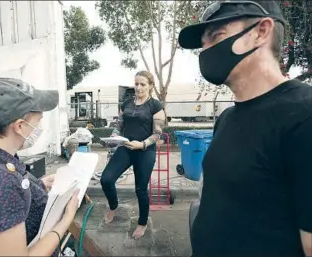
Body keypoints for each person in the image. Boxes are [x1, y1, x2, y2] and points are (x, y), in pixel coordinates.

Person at [178, 1, 312, 256]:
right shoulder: (226, 118)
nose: (205, 51)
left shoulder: (304, 117)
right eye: (203, 43)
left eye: (216, 36)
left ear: (261, 31)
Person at [0, 77, 80, 256]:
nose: (40, 126)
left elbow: (9, 199)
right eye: (39, 120)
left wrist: (38, 185)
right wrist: (64, 221)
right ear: (20, 126)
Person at [100, 71, 165, 239]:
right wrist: (114, 136)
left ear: (150, 85)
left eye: (143, 84)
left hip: (145, 151)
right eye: (136, 84)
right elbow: (118, 124)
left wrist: (142, 144)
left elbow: (158, 134)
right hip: (126, 147)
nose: (138, 87)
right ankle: (113, 205)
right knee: (106, 179)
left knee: (141, 189)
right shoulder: (127, 103)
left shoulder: (155, 105)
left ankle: (142, 223)